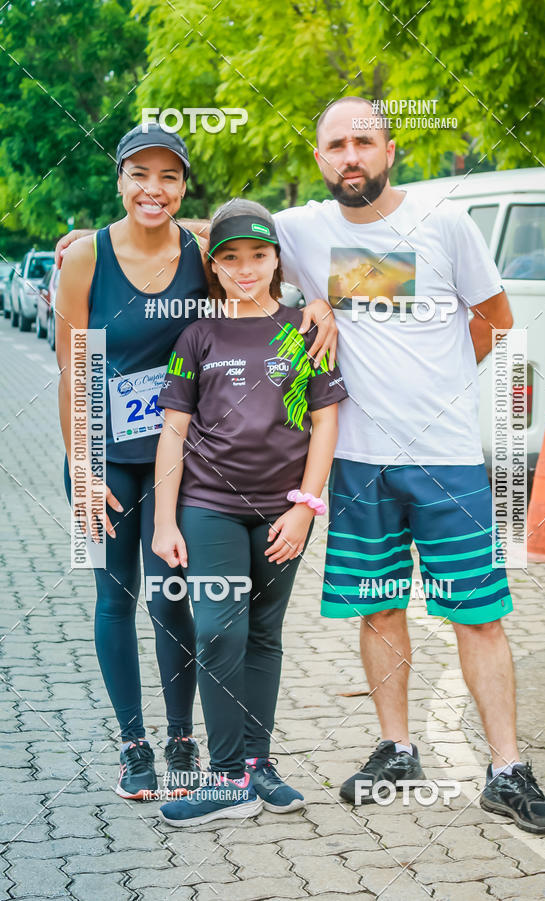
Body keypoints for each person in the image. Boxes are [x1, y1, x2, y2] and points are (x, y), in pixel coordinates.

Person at [269, 96, 545, 834]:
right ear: (319, 159)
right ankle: (397, 748)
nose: (350, 156)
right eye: (336, 144)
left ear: (391, 148)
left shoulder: (444, 224)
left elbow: (496, 317)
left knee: (479, 615)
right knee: (378, 605)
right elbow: (215, 240)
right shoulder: (302, 230)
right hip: (359, 464)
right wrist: (313, 299)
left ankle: (506, 767)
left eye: (363, 141)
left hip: (449, 460)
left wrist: (440, 383)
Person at [151, 198, 348, 826]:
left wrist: (305, 509)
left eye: (258, 256)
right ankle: (227, 774)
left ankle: (259, 765)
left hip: (283, 512)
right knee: (217, 629)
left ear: (275, 261)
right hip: (208, 507)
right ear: (214, 265)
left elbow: (325, 423)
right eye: (231, 258)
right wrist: (162, 520)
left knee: (264, 634)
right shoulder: (198, 334)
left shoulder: (303, 330)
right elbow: (172, 433)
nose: (245, 268)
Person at [56, 123, 208, 800]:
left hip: (179, 458)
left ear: (183, 185)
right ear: (118, 180)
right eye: (139, 174)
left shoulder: (201, 254)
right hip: (102, 455)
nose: (153, 188)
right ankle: (131, 744)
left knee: (172, 596)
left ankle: (182, 736)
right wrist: (84, 468)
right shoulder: (87, 258)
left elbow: (259, 239)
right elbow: (73, 368)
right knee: (112, 596)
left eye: (168, 176)